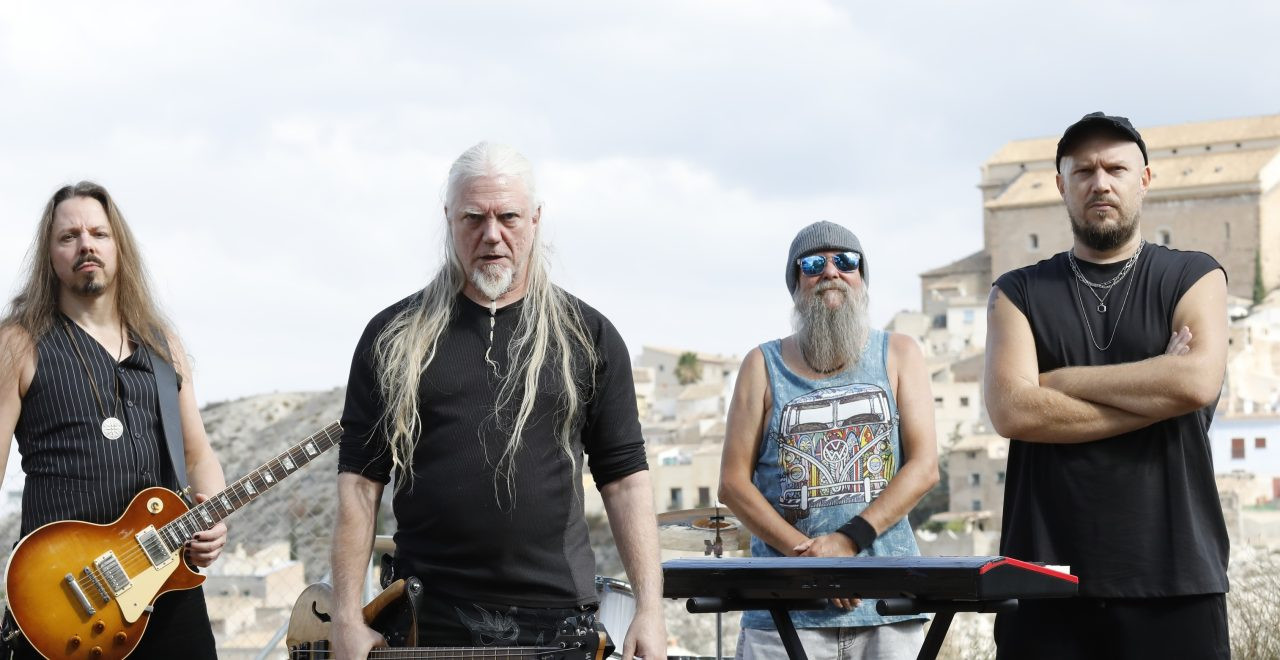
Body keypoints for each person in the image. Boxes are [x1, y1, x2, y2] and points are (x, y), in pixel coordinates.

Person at [331, 142, 666, 660]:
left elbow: (624, 481)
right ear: (449, 219)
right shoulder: (393, 336)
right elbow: (359, 483)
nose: (492, 234)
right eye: (473, 218)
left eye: (508, 216)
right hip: (426, 618)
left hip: (557, 620)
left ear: (535, 218)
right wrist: (346, 616)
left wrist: (650, 609)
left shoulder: (588, 336)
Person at [984, 112, 1230, 659]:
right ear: (1061, 185)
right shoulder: (1016, 292)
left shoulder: (1195, 276)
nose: (1100, 183)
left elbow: (1194, 381)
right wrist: (1157, 394)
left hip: (1176, 579)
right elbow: (1014, 412)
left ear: (1144, 179)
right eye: (1084, 171)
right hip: (1043, 582)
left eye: (1116, 169)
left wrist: (1061, 381)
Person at [0, 181, 228, 659]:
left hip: (167, 589)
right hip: (66, 607)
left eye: (99, 234)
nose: (86, 244)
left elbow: (198, 455)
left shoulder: (162, 344)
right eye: (69, 236)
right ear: (50, 256)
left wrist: (214, 521)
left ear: (118, 246)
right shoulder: (19, 344)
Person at [719, 221, 940, 660]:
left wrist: (848, 541)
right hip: (783, 614)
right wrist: (810, 560)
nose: (831, 272)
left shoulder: (900, 354)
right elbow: (733, 484)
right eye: (813, 264)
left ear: (862, 278)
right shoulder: (761, 365)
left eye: (846, 261)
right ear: (795, 284)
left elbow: (924, 468)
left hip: (887, 608)